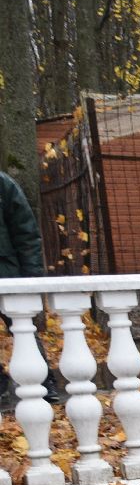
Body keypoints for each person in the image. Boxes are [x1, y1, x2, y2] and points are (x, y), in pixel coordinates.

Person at [0, 170, 49, 409]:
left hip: (7, 271)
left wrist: (32, 278)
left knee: (22, 329)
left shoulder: (3, 185)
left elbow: (26, 233)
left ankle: (45, 380)